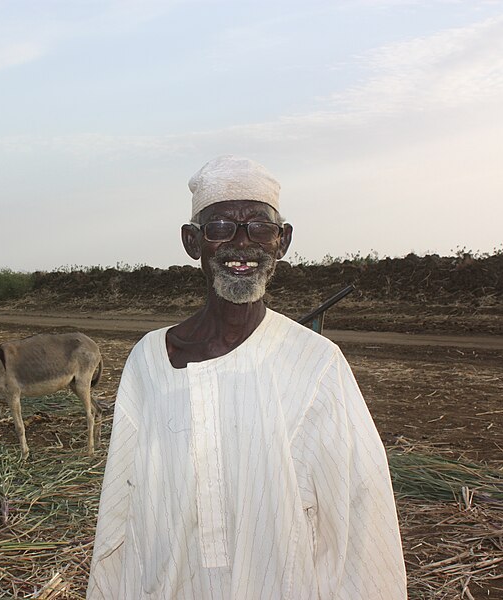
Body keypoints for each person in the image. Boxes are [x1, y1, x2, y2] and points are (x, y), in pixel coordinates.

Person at [87, 155, 407, 599]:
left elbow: (360, 521)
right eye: (220, 227)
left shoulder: (317, 364)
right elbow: (121, 513)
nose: (242, 245)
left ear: (283, 240)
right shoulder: (150, 362)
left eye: (260, 227)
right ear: (192, 241)